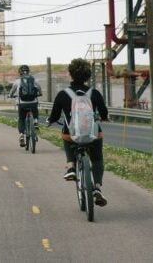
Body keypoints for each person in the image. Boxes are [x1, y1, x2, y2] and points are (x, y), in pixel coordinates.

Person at [47, 58, 110, 207]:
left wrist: (50, 121)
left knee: (65, 135)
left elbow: (55, 116)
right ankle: (97, 188)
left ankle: (70, 166)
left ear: (71, 74)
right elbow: (104, 113)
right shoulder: (94, 93)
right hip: (92, 135)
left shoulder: (63, 94)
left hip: (72, 135)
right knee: (97, 159)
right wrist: (105, 118)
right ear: (88, 75)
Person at [9, 65, 42, 147]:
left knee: (21, 118)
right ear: (28, 71)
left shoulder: (17, 81)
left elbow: (12, 91)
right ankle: (35, 122)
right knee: (35, 112)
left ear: (19, 72)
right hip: (33, 102)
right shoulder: (33, 80)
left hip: (22, 103)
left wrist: (10, 95)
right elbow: (39, 88)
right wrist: (40, 93)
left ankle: (21, 136)